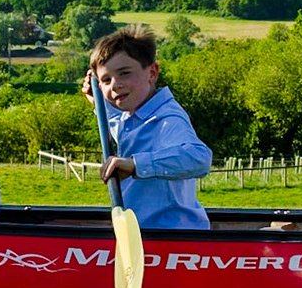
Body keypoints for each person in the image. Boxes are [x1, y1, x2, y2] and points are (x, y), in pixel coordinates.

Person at [85, 27, 213, 230]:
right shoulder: (135, 114)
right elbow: (123, 126)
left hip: (175, 239)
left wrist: (135, 165)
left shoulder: (166, 119)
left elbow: (199, 158)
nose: (116, 85)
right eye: (106, 80)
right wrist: (100, 104)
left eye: (124, 73)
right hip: (145, 234)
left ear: (152, 73)